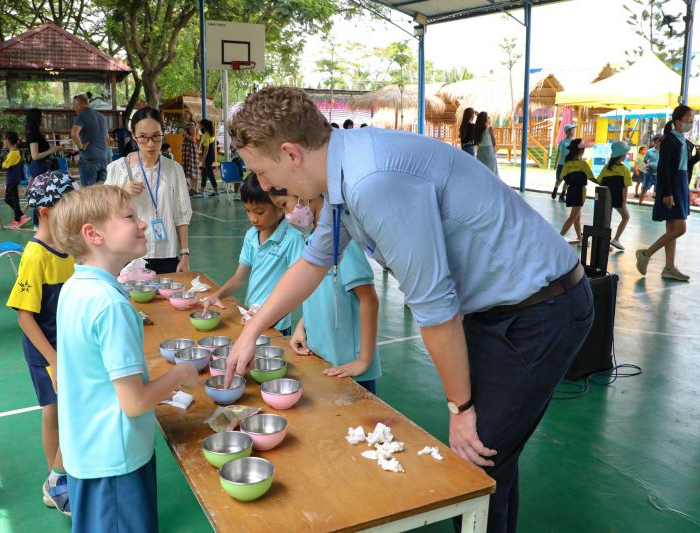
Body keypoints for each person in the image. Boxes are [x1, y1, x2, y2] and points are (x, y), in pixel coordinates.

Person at [224, 87, 593, 533]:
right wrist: (253, 331)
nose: (265, 186)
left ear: (290, 153)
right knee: (493, 459)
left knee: (476, 460)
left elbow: (436, 309)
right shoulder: (343, 172)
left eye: (262, 172)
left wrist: (461, 408)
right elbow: (313, 261)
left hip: (539, 309)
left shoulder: (371, 182)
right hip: (499, 310)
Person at [49, 185, 198, 533]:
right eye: (130, 217)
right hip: (114, 461)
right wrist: (181, 372)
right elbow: (134, 402)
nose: (142, 223)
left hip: (87, 453)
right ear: (93, 234)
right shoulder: (111, 305)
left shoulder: (76, 287)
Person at [5, 171, 77, 516]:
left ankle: (64, 473)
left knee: (70, 410)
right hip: (45, 349)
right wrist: (55, 359)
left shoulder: (69, 248)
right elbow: (24, 316)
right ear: (46, 212)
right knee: (54, 412)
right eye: (67, 206)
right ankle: (55, 482)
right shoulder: (34, 255)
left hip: (68, 348)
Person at [268, 190, 381, 393]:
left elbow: (369, 300)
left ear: (304, 193)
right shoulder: (313, 240)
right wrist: (302, 326)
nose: (285, 214)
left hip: (349, 368)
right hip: (322, 357)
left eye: (284, 204)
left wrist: (363, 360)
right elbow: (321, 292)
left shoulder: (344, 241)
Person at [201, 174, 305, 336]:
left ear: (279, 207)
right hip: (250, 316)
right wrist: (217, 295)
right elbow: (239, 278)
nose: (252, 218)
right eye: (248, 211)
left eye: (259, 212)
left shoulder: (293, 239)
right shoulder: (251, 235)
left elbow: (299, 288)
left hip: (276, 324)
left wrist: (272, 316)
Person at [105, 107, 192, 275]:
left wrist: (185, 254)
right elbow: (102, 210)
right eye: (143, 137)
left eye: (156, 136)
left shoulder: (174, 170)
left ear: (163, 133)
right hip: (128, 254)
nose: (151, 144)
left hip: (165, 253)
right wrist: (122, 193)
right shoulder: (119, 169)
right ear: (133, 135)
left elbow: (182, 215)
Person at [636, 105, 700, 281]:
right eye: (689, 118)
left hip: (680, 185)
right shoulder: (670, 141)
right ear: (678, 121)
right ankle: (646, 254)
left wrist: (697, 156)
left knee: (672, 229)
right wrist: (666, 192)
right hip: (672, 187)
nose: (692, 122)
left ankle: (669, 267)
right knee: (680, 229)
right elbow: (664, 169)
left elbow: (683, 166)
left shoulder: (682, 141)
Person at [25, 109, 63, 227]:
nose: (44, 119)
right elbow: (35, 155)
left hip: (41, 166)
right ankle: (38, 224)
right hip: (40, 166)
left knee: (43, 195)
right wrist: (51, 150)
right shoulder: (33, 134)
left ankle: (41, 223)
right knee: (41, 196)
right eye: (43, 117)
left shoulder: (36, 133)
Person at [597, 141, 632, 250]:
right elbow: (625, 188)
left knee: (607, 220)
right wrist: (624, 202)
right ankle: (616, 239)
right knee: (626, 217)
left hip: (605, 199)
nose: (626, 155)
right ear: (622, 155)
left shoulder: (606, 168)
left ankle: (605, 242)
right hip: (618, 199)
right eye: (626, 153)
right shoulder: (624, 170)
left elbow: (600, 182)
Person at [558, 139, 594, 244]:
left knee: (577, 217)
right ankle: (560, 237)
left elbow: (562, 177)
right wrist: (601, 183)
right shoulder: (582, 164)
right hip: (579, 192)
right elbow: (591, 177)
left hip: (571, 191)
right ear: (581, 151)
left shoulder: (567, 164)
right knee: (573, 217)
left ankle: (579, 237)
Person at [71, 93, 109, 186]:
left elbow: (74, 134)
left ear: (79, 104)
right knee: (101, 191)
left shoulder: (81, 116)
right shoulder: (102, 117)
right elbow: (107, 137)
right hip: (104, 158)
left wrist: (81, 147)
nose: (74, 108)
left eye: (74, 105)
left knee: (88, 193)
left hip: (89, 158)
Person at [1, 132, 30, 228]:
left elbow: (5, 166)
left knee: (8, 199)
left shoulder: (13, 154)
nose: (3, 141)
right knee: (14, 199)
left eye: (4, 139)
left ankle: (20, 216)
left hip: (12, 180)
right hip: (13, 179)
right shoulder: (14, 152)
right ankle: (19, 217)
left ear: (8, 141)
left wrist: (3, 163)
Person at [551, 124, 576, 202]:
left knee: (567, 181)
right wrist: (556, 164)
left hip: (570, 165)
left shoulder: (575, 141)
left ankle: (562, 195)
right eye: (572, 130)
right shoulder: (563, 142)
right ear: (567, 132)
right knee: (559, 180)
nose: (573, 131)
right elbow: (559, 153)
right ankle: (555, 189)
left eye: (573, 129)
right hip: (562, 164)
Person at [181, 108, 202, 197]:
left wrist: (184, 133)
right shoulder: (188, 125)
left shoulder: (192, 126)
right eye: (184, 115)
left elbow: (193, 139)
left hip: (191, 149)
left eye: (187, 115)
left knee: (193, 168)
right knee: (189, 169)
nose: (185, 116)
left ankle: (195, 189)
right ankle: (192, 189)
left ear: (190, 116)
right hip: (187, 148)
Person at [639, 135, 662, 205]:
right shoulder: (649, 151)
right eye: (659, 140)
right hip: (649, 174)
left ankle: (657, 204)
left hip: (659, 174)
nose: (661, 142)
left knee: (659, 191)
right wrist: (646, 166)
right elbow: (645, 160)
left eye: (662, 140)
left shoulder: (665, 151)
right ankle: (640, 202)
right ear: (655, 141)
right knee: (644, 189)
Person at [474, 111, 498, 176]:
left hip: (480, 152)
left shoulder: (477, 129)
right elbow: (494, 141)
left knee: (482, 172)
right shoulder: (490, 128)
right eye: (487, 117)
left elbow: (476, 143)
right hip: (489, 151)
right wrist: (495, 150)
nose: (489, 119)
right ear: (485, 119)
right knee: (492, 172)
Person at [199, 119, 218, 197]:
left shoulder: (207, 135)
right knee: (204, 173)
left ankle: (216, 191)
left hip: (208, 157)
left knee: (210, 174)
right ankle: (202, 191)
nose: (199, 126)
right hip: (210, 156)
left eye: (200, 124)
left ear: (203, 125)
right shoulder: (211, 134)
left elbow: (206, 149)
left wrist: (203, 160)